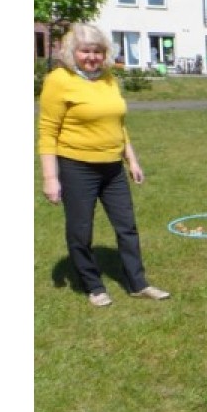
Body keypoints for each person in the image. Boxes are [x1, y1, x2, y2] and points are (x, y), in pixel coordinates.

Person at [37, 23, 170, 307]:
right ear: (73, 51)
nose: (92, 57)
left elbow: (118, 124)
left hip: (112, 166)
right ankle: (93, 286)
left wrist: (131, 159)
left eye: (97, 51)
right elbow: (48, 131)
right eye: (86, 51)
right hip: (77, 166)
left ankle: (138, 283)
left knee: (127, 227)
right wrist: (50, 177)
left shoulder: (108, 78)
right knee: (80, 230)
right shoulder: (59, 80)